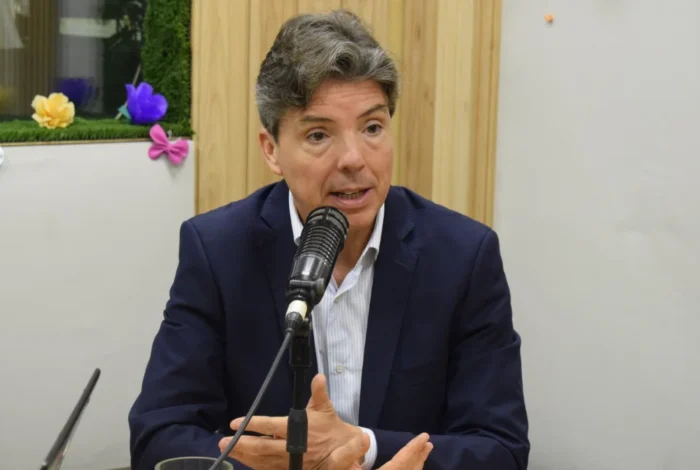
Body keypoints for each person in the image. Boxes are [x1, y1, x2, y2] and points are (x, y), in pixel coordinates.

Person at [129, 9, 529, 470]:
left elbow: (501, 448)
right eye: (319, 134)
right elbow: (159, 435)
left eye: (373, 127)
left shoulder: (463, 257)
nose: (354, 159)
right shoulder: (219, 251)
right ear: (272, 150)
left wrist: (365, 447)